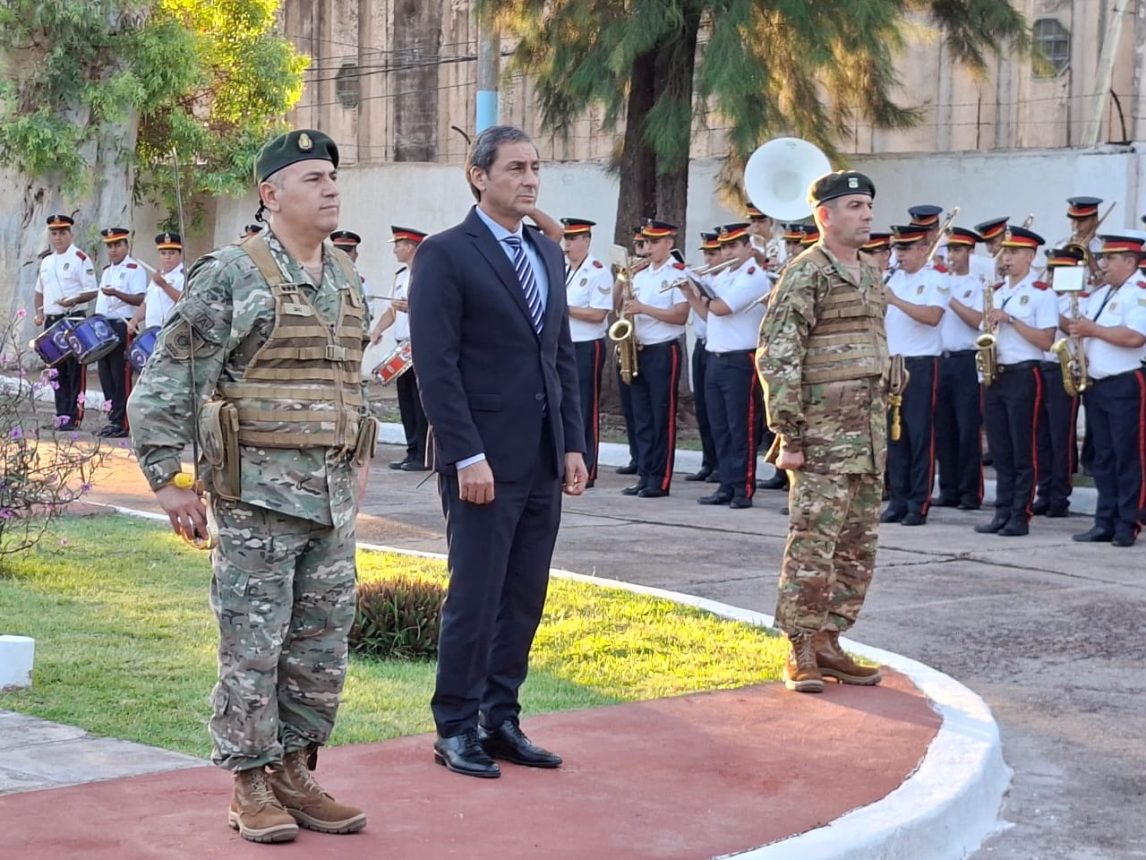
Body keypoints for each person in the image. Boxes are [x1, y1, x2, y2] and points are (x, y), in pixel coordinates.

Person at [127, 128, 371, 843]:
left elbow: (349, 382)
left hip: (329, 504)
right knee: (252, 651)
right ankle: (249, 784)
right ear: (271, 196)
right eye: (313, 178)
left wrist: (359, 458)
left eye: (332, 176)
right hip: (258, 502)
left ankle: (295, 772)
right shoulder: (231, 275)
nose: (330, 188)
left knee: (319, 652)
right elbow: (165, 381)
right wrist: (168, 480)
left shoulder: (346, 277)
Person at [408, 125, 587, 779]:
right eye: (515, 167)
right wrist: (465, 456)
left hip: (541, 458)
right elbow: (437, 366)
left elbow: (559, 356)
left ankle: (500, 717)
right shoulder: (445, 255)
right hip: (481, 461)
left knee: (524, 596)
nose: (530, 178)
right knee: (476, 596)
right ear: (478, 176)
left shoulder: (546, 253)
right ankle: (455, 726)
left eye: (535, 167)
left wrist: (572, 445)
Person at [756, 170, 886, 694]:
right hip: (822, 437)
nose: (868, 214)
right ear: (825, 215)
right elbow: (779, 353)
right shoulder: (806, 273)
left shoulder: (872, 272)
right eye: (855, 205)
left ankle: (832, 640)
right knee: (814, 544)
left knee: (858, 547)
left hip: (868, 436)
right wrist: (789, 434)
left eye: (869, 205)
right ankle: (801, 649)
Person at [974, 226, 1058, 537]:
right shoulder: (996, 292)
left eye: (1012, 253)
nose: (1005, 258)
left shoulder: (1041, 293)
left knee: (1024, 448)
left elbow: (1047, 340)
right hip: (996, 373)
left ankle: (1020, 514)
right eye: (1004, 252)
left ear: (1030, 256)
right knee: (1000, 448)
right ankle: (1002, 512)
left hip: (1025, 373)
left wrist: (1012, 320)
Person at [683, 223, 768, 508]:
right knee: (719, 425)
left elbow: (722, 308)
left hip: (740, 359)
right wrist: (689, 293)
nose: (727, 252)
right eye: (724, 248)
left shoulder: (753, 276)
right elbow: (708, 316)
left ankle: (743, 488)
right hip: (716, 357)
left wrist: (702, 291)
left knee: (740, 426)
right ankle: (726, 485)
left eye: (733, 247)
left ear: (747, 247)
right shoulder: (725, 276)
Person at [1069, 233, 1146, 547]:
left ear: (1130, 261)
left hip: (1125, 383)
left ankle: (1128, 523)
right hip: (1098, 384)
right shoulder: (1104, 293)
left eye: (1109, 259)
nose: (1103, 264)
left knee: (1127, 455)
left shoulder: (1139, 292)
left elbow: (1135, 337)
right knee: (1103, 457)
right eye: (1102, 258)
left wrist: (1091, 329)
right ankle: (1105, 521)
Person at [882, 224, 945, 525]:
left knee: (919, 435)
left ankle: (918, 503)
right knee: (895, 436)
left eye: (905, 249)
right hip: (892, 362)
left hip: (920, 364)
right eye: (897, 249)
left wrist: (895, 301)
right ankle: (898, 499)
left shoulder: (935, 278)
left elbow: (933, 317)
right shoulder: (892, 278)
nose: (899, 255)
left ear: (922, 248)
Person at [622, 219, 689, 498]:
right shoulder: (640, 274)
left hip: (664, 349)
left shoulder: (678, 274)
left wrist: (643, 309)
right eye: (646, 242)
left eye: (654, 242)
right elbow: (625, 307)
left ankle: (660, 480)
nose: (647, 247)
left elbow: (681, 315)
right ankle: (645, 474)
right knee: (642, 417)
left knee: (661, 416)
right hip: (640, 348)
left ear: (668, 244)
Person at [933, 227, 985, 511]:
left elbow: (977, 321)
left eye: (958, 250)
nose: (952, 256)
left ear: (970, 253)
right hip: (942, 358)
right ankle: (949, 489)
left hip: (967, 359)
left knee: (967, 429)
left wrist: (950, 299)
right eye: (949, 250)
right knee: (944, 429)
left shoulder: (976, 284)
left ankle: (969, 492)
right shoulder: (939, 280)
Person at [370, 226, 431, 471]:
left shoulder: (427, 275)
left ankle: (424, 456)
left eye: (398, 245)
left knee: (420, 403)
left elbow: (439, 310)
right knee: (405, 403)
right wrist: (378, 329)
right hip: (401, 348)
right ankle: (412, 450)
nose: (395, 250)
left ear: (411, 246)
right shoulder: (400, 276)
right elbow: (391, 310)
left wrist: (413, 308)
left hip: (421, 347)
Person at [32, 213, 98, 431]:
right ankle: (60, 415)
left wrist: (74, 299)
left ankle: (73, 416)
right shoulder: (47, 261)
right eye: (54, 233)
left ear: (71, 234)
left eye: (62, 232)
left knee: (74, 371)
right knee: (56, 371)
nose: (58, 237)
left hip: (73, 319)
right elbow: (39, 291)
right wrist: (39, 312)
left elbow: (91, 291)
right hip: (52, 321)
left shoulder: (80, 258)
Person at [1033, 247, 1085, 518]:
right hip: (1041, 367)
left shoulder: (1079, 299)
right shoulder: (1043, 296)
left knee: (1060, 436)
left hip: (1064, 369)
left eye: (1061, 272)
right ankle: (1044, 491)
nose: (1054, 277)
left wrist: (1055, 311)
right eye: (1052, 271)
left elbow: (1077, 329)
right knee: (1040, 436)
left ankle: (1060, 496)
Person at [561, 217, 614, 487]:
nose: (567, 244)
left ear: (586, 240)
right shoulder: (564, 270)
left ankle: (588, 468)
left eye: (573, 239)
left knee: (583, 406)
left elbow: (597, 313)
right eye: (566, 239)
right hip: (566, 345)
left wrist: (564, 308)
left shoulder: (597, 271)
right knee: (565, 406)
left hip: (587, 346)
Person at [94, 227, 147, 437]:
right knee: (105, 375)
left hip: (123, 325)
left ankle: (123, 422)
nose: (113, 249)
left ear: (126, 245)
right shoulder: (107, 271)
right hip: (104, 326)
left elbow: (140, 299)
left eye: (117, 245)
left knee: (121, 376)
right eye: (110, 246)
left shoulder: (135, 269)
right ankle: (114, 418)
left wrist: (116, 293)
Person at [684, 231, 721, 484]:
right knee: (704, 408)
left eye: (713, 254)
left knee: (720, 413)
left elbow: (711, 314)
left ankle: (720, 465)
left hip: (718, 346)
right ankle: (708, 462)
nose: (708, 259)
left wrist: (694, 294)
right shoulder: (703, 278)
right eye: (706, 254)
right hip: (701, 344)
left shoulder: (724, 282)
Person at [128, 232, 185, 336]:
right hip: (152, 332)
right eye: (163, 253)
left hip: (172, 334)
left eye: (171, 253)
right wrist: (135, 319)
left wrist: (164, 285)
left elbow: (185, 301)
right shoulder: (159, 275)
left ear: (180, 255)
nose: (167, 257)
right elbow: (147, 302)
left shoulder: (185, 276)